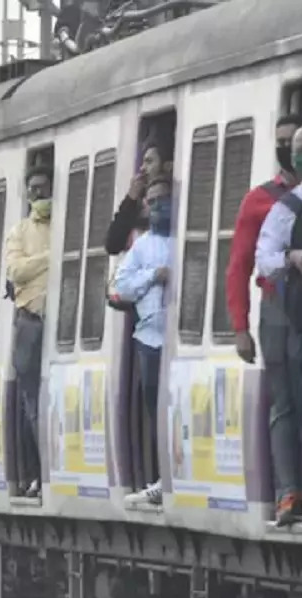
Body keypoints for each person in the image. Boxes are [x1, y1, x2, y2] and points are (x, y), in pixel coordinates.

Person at [256, 121, 302, 527]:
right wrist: (292, 259)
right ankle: (291, 492)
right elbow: (264, 258)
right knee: (291, 403)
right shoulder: (287, 208)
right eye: (299, 149)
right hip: (296, 319)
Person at [226, 114, 302, 364]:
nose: (284, 148)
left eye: (291, 141)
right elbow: (239, 266)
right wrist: (240, 328)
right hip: (276, 304)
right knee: (282, 394)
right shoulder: (258, 200)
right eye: (279, 142)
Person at [114, 175, 174, 506]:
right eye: (152, 201)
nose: (159, 205)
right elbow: (120, 286)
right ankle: (158, 478)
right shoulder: (143, 246)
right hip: (149, 339)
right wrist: (152, 276)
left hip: (177, 340)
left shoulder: (183, 240)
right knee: (155, 410)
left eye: (164, 198)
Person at [3, 164, 53, 498]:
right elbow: (14, 270)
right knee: (31, 401)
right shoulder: (19, 230)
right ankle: (37, 472)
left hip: (57, 321)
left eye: (42, 187)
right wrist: (52, 257)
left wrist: (37, 263)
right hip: (30, 322)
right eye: (32, 188)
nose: (37, 193)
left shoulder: (67, 220)